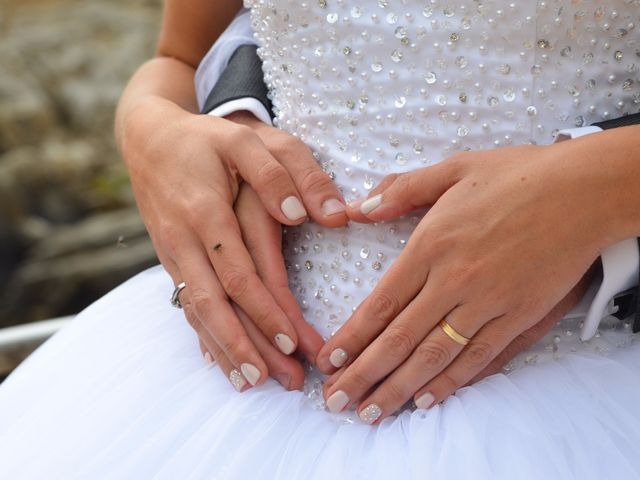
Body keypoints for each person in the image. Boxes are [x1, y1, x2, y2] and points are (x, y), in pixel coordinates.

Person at [0, 1, 639, 478]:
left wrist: (595, 188)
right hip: (227, 399)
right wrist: (150, 137)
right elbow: (178, 61)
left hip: (585, 390)